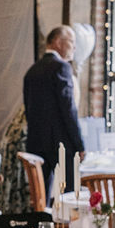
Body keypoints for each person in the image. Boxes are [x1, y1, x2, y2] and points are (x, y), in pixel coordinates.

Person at [23, 25, 85, 203]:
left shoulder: (32, 71)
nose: (74, 47)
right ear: (58, 42)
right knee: (71, 198)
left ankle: (43, 220)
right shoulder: (61, 68)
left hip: (36, 143)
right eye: (71, 42)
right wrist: (79, 144)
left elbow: (28, 109)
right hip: (60, 144)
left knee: (40, 198)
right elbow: (68, 109)